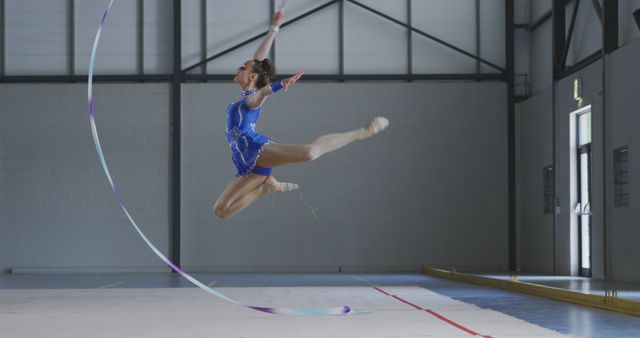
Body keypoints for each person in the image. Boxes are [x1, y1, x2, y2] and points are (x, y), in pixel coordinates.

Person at [213, 9, 389, 220]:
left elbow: (261, 93)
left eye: (242, 67)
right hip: (243, 161)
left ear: (251, 76)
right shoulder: (246, 92)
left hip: (255, 149)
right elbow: (258, 60)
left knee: (310, 153)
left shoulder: (251, 100)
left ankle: (363, 131)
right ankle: (265, 188)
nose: (238, 68)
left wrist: (278, 85)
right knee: (221, 211)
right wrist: (274, 28)